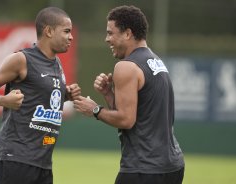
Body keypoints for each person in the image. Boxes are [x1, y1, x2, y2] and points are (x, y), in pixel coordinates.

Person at [74, 5, 184, 184]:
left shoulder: (126, 66)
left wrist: (94, 109)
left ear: (127, 33)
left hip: (144, 169)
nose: (106, 39)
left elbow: (126, 120)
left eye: (111, 33)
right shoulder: (156, 61)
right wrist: (109, 95)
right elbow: (138, 116)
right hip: (172, 167)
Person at [0, 7, 80, 184]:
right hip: (15, 156)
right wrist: (4, 100)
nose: (71, 37)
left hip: (43, 161)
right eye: (66, 31)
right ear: (48, 31)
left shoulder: (57, 63)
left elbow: (39, 96)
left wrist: (65, 95)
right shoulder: (21, 59)